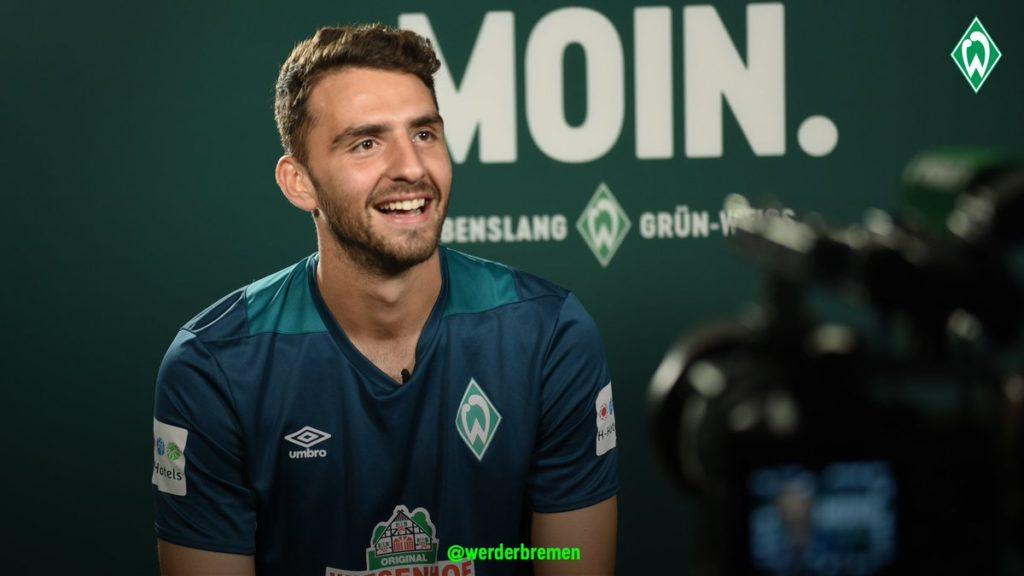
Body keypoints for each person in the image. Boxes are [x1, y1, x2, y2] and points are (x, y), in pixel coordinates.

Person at [152, 24, 618, 576]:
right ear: (299, 182)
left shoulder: (549, 334)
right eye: (366, 143)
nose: (411, 167)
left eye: (424, 134)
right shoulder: (214, 365)